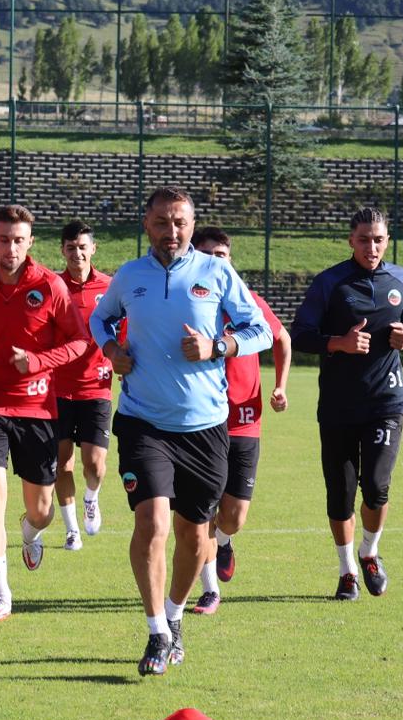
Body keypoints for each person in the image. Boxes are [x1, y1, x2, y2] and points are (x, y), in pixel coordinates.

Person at [89, 187, 271, 677]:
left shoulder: (216, 272)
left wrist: (219, 346)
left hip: (206, 428)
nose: (172, 232)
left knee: (195, 537)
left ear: (192, 225)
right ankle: (155, 632)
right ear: (146, 223)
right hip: (143, 422)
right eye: (163, 222)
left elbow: (262, 331)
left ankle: (174, 617)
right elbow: (99, 317)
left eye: (181, 223)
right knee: (152, 525)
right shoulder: (130, 276)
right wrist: (110, 348)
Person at [0, 204, 89, 622]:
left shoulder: (50, 286)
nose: (10, 248)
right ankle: (1, 594)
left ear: (30, 242)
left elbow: (80, 342)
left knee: (42, 509)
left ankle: (30, 532)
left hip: (37, 408)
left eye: (18, 240)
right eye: (3, 239)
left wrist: (37, 362)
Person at [289, 207, 403, 602]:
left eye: (378, 239)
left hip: (385, 400)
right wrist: (339, 343)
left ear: (387, 240)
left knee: (376, 486)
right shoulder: (330, 283)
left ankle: (369, 552)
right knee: (341, 494)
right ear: (351, 240)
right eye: (364, 239)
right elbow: (301, 335)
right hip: (339, 405)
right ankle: (347, 571)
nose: (371, 246)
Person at [188, 226, 291, 614]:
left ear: (230, 260)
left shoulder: (249, 302)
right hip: (200, 422)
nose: (216, 261)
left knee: (232, 517)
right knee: (201, 509)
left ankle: (225, 541)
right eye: (208, 254)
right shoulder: (190, 303)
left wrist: (280, 386)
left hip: (245, 421)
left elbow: (281, 339)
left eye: (222, 255)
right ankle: (210, 589)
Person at [52, 220, 114, 551]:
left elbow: (126, 330)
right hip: (57, 389)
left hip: (96, 388)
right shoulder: (51, 286)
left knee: (95, 465)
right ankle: (72, 528)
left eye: (82, 246)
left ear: (93, 248)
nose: (77, 253)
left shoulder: (111, 287)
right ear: (62, 250)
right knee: (62, 463)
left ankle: (91, 498)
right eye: (71, 247)